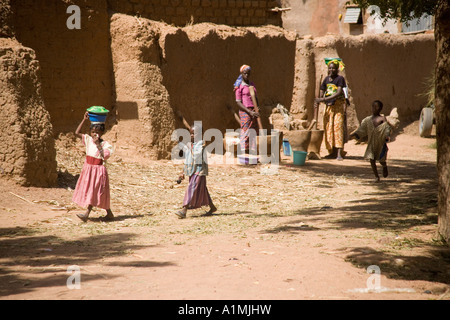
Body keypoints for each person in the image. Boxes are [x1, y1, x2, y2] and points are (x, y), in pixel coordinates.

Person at [72, 112, 114, 222]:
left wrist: (98, 144)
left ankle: (86, 214)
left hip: (98, 171)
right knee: (94, 191)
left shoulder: (106, 145)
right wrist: (84, 120)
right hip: (88, 169)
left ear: (102, 132)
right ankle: (109, 213)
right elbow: (76, 132)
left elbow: (105, 156)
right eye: (92, 131)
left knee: (95, 191)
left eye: (97, 132)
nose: (94, 134)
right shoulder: (88, 140)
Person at [175, 124, 217, 219]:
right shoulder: (192, 145)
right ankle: (212, 207)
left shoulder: (201, 144)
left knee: (192, 188)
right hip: (192, 171)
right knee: (202, 190)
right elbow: (188, 160)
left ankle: (184, 209)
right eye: (191, 134)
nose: (192, 136)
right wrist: (183, 172)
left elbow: (196, 156)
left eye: (194, 134)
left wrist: (189, 147)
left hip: (199, 171)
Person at [349, 100, 392, 182]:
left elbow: (386, 129)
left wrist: (387, 136)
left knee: (381, 159)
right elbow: (362, 129)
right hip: (371, 143)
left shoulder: (382, 119)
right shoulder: (367, 120)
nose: (374, 108)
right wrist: (354, 134)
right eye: (373, 106)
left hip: (380, 143)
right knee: (371, 160)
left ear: (380, 108)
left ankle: (384, 166)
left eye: (377, 107)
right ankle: (376, 177)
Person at [314, 58, 347, 160]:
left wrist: (322, 99)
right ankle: (331, 152)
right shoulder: (326, 79)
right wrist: (318, 99)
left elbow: (337, 93)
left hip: (337, 108)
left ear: (337, 69)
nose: (331, 70)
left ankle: (338, 154)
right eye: (330, 68)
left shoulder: (340, 79)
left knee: (337, 129)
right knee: (329, 129)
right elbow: (321, 90)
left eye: (333, 68)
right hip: (328, 108)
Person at [234, 64, 260, 153]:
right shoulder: (239, 86)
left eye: (248, 73)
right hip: (245, 111)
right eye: (245, 73)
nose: (247, 75)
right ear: (241, 73)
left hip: (253, 111)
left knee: (253, 132)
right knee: (245, 132)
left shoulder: (252, 84)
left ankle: (251, 152)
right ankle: (244, 153)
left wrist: (257, 108)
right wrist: (249, 112)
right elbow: (238, 102)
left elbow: (255, 97)